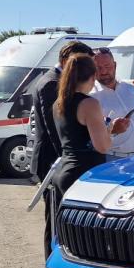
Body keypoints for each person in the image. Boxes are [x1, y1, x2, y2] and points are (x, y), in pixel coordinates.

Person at [52, 53, 113, 218]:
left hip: (65, 170)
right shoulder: (90, 104)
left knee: (65, 235)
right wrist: (109, 130)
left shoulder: (58, 103)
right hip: (84, 175)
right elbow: (102, 146)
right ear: (93, 76)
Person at [28, 41, 94, 183]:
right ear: (65, 61)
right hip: (53, 159)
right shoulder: (52, 83)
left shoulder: (59, 81)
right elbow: (54, 127)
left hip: (61, 161)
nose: (84, 69)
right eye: (80, 63)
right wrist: (67, 160)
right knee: (55, 204)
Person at [89, 47, 134, 161]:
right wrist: (112, 130)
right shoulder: (91, 97)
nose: (103, 71)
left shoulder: (131, 89)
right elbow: (91, 138)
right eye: (98, 68)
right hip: (111, 159)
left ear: (115, 65)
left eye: (107, 66)